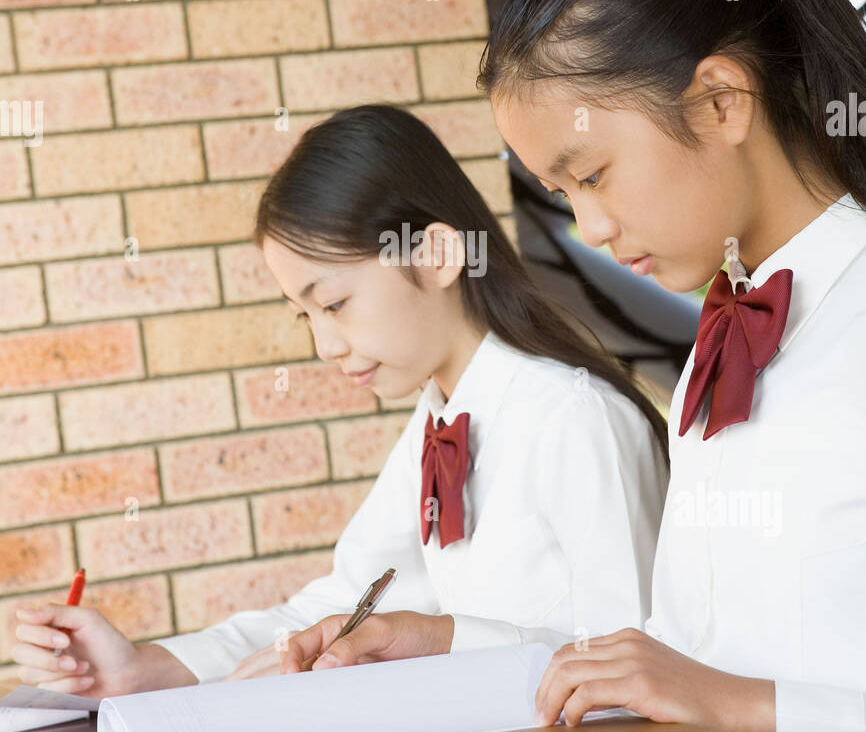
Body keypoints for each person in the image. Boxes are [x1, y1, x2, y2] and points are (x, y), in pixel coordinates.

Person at [14, 105, 668, 696]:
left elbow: (645, 662)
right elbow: (334, 607)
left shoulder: (573, 419)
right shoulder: (437, 424)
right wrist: (140, 669)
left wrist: (443, 642)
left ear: (437, 254)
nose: (325, 344)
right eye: (305, 316)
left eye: (334, 303)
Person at [477, 0, 866, 732]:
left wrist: (737, 703)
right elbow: (687, 660)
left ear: (722, 102)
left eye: (595, 174)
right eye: (561, 194)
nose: (592, 228)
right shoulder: (716, 357)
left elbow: (718, 686)